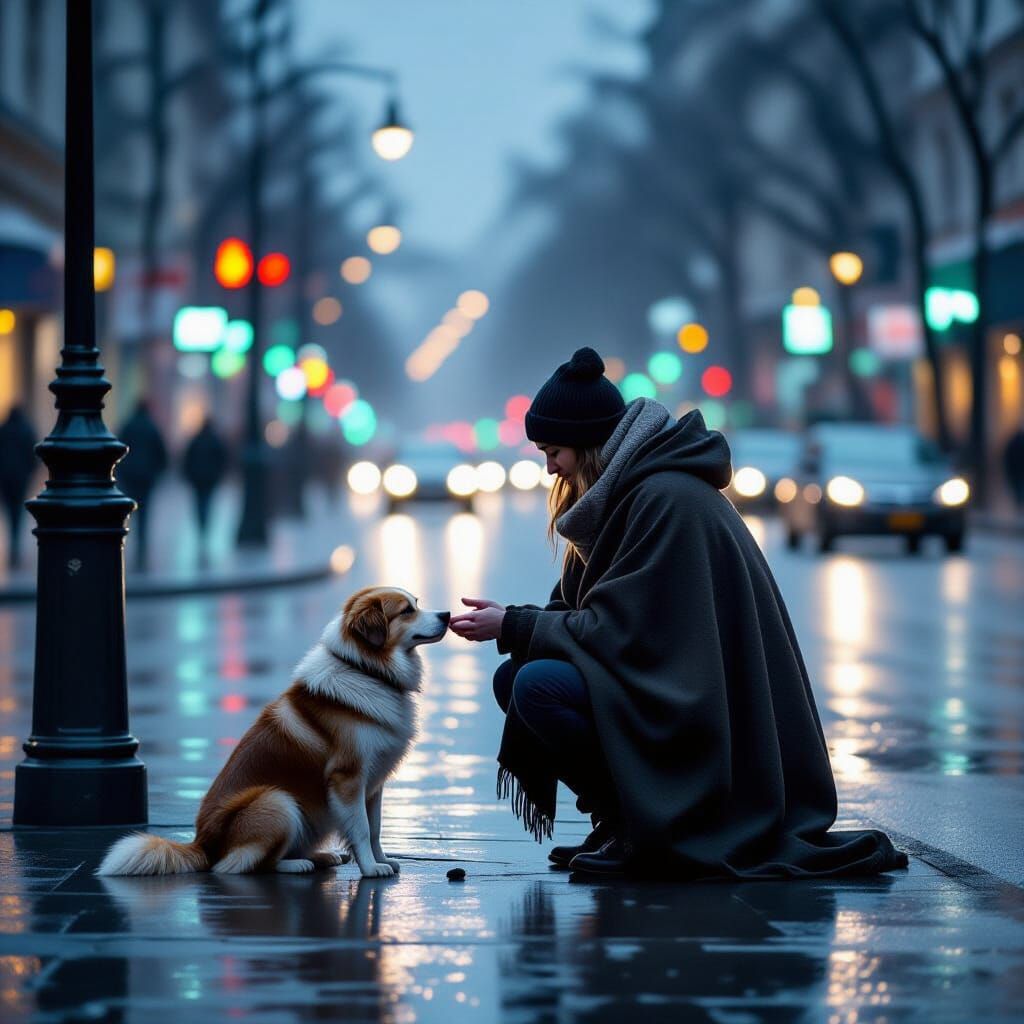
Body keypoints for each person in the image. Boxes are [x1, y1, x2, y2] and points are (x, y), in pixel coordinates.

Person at [450, 347, 907, 879]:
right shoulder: (627, 491)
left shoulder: (663, 498)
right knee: (516, 676)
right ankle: (619, 821)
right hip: (660, 682)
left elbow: (622, 632)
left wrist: (514, 625)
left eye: (554, 452)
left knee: (536, 686)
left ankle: (645, 830)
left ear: (589, 445)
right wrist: (513, 622)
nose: (550, 467)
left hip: (696, 704)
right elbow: (583, 610)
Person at [117, 399, 168, 572]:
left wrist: (122, 473)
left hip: (131, 477)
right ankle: (142, 550)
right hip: (146, 478)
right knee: (144, 513)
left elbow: (118, 450)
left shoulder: (128, 426)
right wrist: (156, 473)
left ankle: (132, 547)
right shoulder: (151, 427)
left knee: (130, 512)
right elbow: (162, 453)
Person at [182, 415, 230, 566]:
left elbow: (187, 459)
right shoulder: (214, 440)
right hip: (209, 480)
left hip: (198, 479)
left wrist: (189, 475)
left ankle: (202, 529)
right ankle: (205, 529)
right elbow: (222, 459)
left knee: (200, 504)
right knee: (207, 504)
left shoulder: (196, 439)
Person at [0, 406, 37, 569]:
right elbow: (33, 455)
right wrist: (28, 473)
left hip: (6, 478)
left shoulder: (4, 430)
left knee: (10, 512)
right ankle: (15, 547)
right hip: (20, 479)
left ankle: (13, 548)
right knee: (17, 513)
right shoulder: (26, 430)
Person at [1004, 425, 1024, 510]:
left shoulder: (1012, 443)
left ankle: (1019, 507)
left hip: (1016, 473)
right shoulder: (1014, 444)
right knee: (1019, 491)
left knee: (1018, 492)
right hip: (1018, 472)